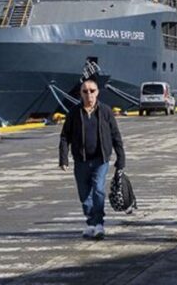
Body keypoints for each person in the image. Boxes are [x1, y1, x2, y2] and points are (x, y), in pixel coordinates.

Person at [59, 77, 126, 240]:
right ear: (80, 93)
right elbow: (64, 136)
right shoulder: (74, 113)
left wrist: (121, 157)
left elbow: (115, 134)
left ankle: (99, 224)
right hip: (81, 160)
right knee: (84, 194)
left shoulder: (105, 111)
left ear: (97, 93)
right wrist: (63, 158)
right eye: (85, 91)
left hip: (100, 159)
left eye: (92, 91)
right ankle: (90, 222)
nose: (89, 94)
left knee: (98, 189)